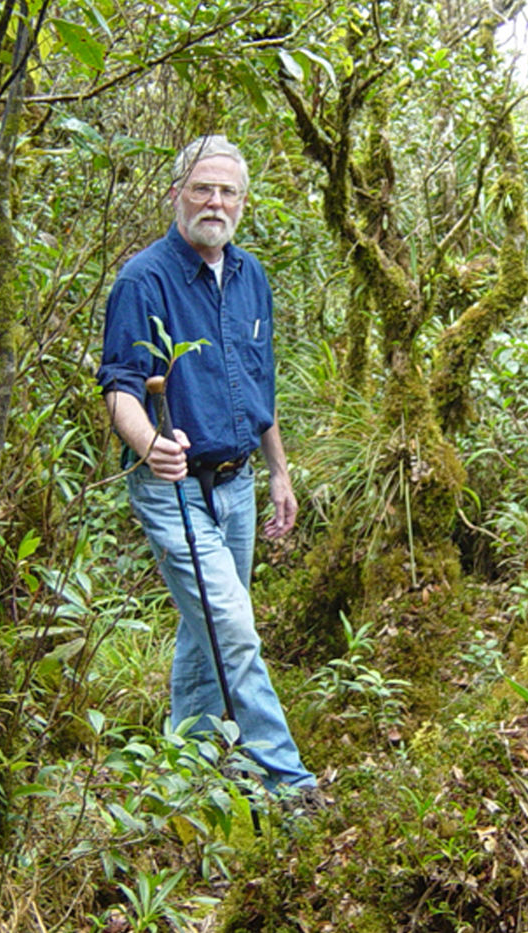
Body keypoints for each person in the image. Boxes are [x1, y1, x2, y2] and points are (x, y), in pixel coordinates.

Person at [96, 135, 317, 798]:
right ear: (175, 195)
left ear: (242, 204)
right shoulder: (145, 278)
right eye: (201, 188)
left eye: (227, 192)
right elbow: (120, 384)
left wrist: (279, 471)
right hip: (175, 488)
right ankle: (288, 781)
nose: (213, 202)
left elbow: (258, 385)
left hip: (239, 483)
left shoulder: (251, 277)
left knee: (207, 633)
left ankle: (183, 776)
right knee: (233, 628)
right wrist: (146, 443)